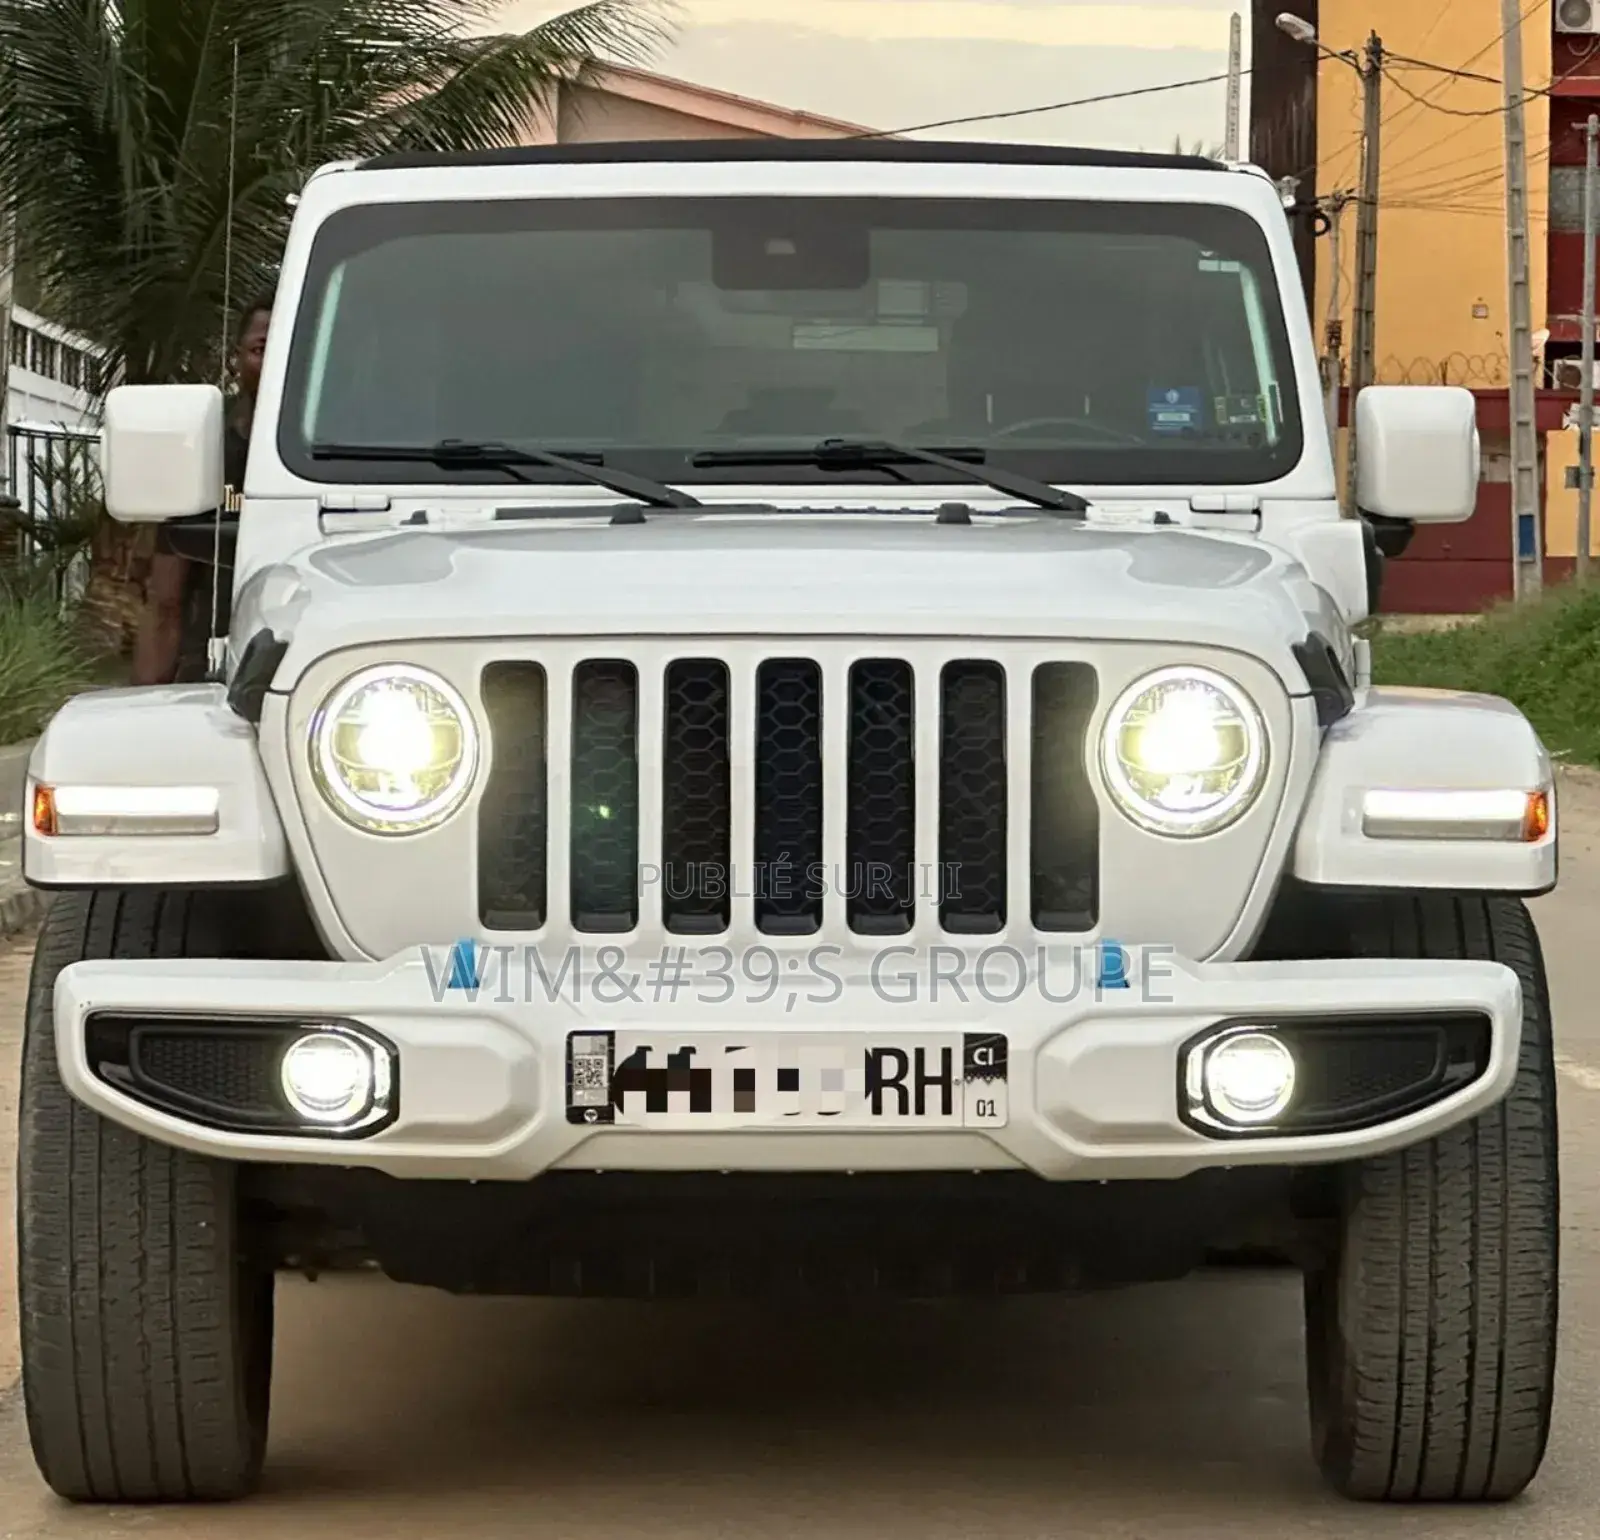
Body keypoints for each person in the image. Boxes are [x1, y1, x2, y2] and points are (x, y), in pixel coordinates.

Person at [130, 292, 273, 685]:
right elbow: (165, 601)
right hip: (206, 672)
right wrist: (145, 709)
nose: (276, 360)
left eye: (289, 346)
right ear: (236, 357)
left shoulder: (346, 443)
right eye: (261, 348)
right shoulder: (201, 438)